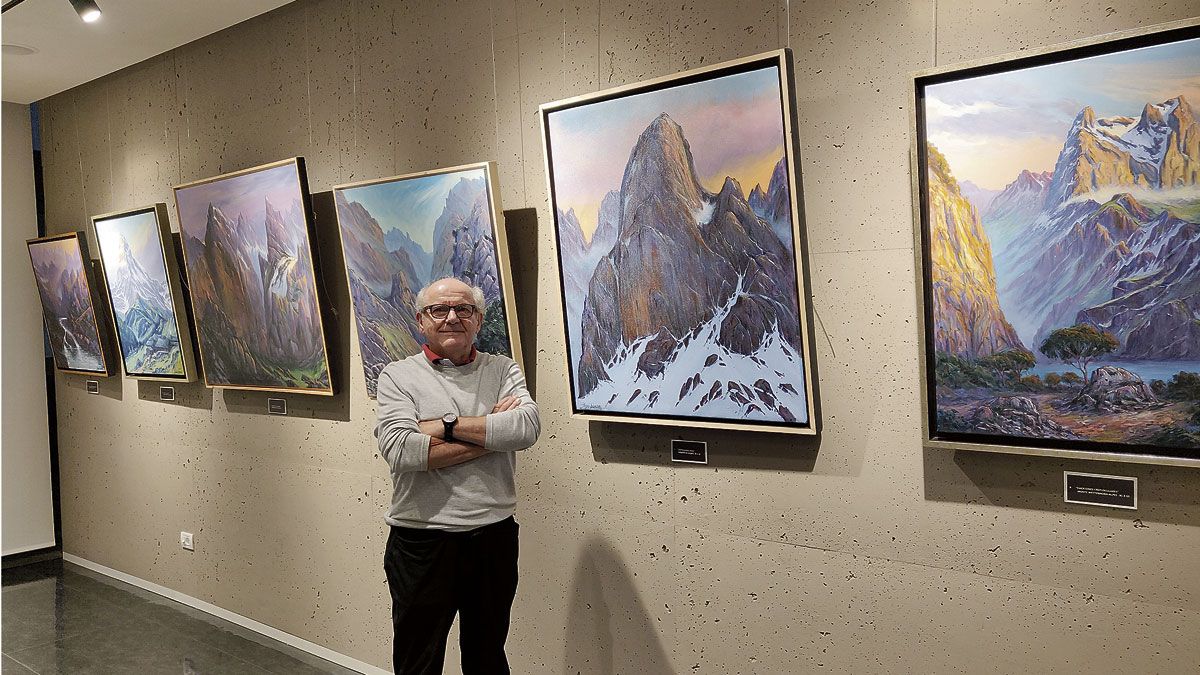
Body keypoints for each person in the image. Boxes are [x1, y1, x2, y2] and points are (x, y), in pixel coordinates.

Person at [375, 276, 540, 675]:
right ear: (421, 320)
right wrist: (490, 433)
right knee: (418, 661)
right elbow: (400, 450)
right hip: (420, 542)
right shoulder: (396, 376)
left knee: (487, 658)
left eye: (463, 309)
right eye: (439, 310)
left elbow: (527, 428)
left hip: (493, 539)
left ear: (478, 320)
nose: (452, 317)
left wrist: (439, 426)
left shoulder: (502, 368)